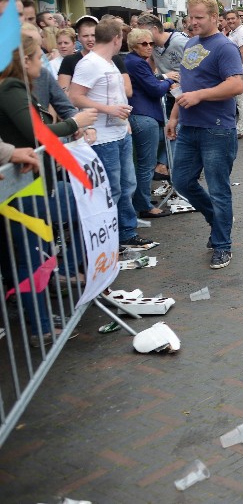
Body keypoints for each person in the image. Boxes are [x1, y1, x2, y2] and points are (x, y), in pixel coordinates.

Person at [0, 28, 96, 346]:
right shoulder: (11, 87)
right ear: (24, 60)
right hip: (20, 190)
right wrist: (76, 124)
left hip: (25, 185)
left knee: (29, 258)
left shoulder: (16, 86)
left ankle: (42, 321)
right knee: (83, 206)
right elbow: (37, 132)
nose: (42, 65)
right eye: (39, 57)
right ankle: (44, 318)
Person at [165, 0, 243, 269]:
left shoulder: (225, 47)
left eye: (199, 17)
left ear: (214, 17)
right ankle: (217, 219)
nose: (193, 21)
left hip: (217, 129)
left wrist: (200, 96)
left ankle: (222, 244)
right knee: (181, 181)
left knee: (219, 189)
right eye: (190, 16)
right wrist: (174, 115)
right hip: (189, 127)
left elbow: (236, 85)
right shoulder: (190, 43)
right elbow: (186, 85)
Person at [68, 18, 152, 250]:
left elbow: (116, 93)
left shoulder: (110, 61)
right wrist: (108, 110)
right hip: (102, 137)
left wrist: (122, 120)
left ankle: (125, 232)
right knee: (111, 190)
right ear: (117, 39)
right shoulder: (90, 63)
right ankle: (104, 241)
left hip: (119, 132)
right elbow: (74, 96)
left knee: (127, 185)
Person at [124, 27, 178, 218]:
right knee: (146, 164)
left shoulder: (134, 61)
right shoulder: (136, 62)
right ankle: (144, 205)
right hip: (144, 116)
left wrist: (163, 78)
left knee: (143, 163)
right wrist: (169, 82)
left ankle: (142, 199)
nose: (149, 47)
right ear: (133, 45)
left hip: (142, 116)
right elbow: (154, 89)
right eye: (144, 44)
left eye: (151, 43)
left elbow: (149, 81)